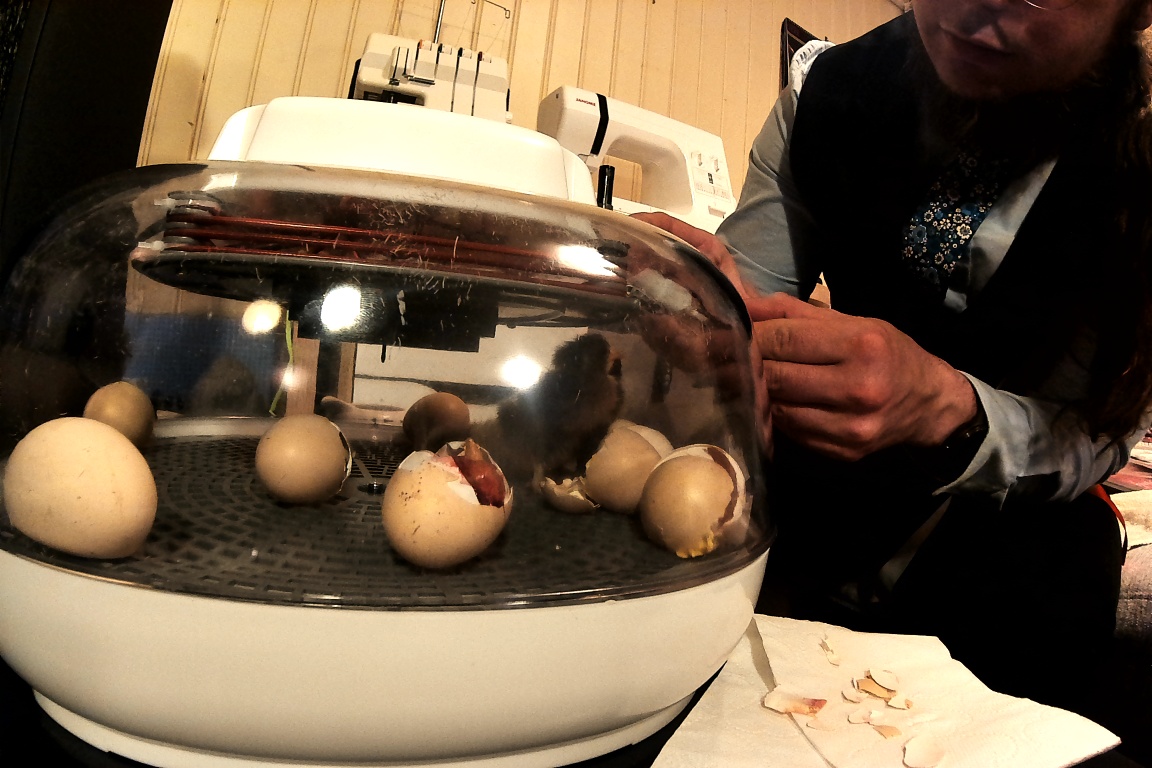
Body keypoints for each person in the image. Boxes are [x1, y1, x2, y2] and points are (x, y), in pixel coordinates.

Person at [637, 0, 1152, 722]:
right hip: (810, 528)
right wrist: (709, 314)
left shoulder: (1136, 174)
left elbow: (1099, 430)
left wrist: (951, 410)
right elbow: (744, 301)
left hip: (1010, 572)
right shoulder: (826, 92)